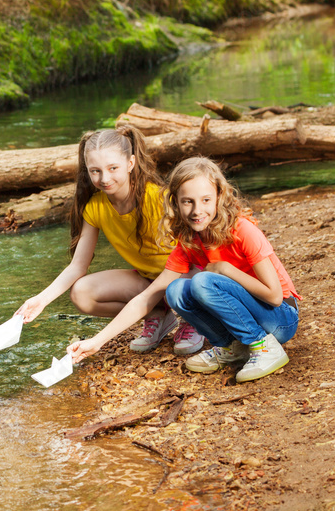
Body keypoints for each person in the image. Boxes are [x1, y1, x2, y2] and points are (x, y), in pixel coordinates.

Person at [66, 156, 300, 383]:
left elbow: (275, 295)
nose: (197, 210)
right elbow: (148, 296)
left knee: (202, 282)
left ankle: (263, 347)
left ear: (219, 196)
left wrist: (225, 268)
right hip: (251, 318)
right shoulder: (190, 240)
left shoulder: (243, 230)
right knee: (175, 290)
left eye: (206, 200)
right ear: (175, 202)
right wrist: (97, 342)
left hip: (280, 319)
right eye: (188, 201)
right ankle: (231, 347)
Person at [15, 127, 204, 355]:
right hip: (149, 281)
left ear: (131, 163)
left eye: (113, 168)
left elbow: (200, 249)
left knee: (185, 284)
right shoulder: (95, 207)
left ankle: (194, 319)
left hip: (186, 276)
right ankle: (158, 316)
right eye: (95, 171)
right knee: (82, 293)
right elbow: (78, 266)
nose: (104, 178)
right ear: (87, 170)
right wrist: (41, 300)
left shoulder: (159, 198)